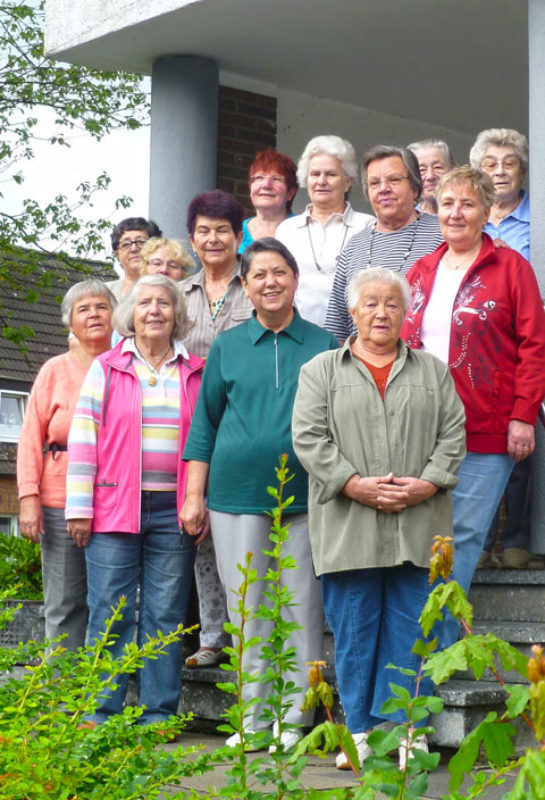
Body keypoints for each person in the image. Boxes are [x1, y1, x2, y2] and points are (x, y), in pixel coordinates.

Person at [292, 267, 466, 770]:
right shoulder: (320, 370)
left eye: (392, 303)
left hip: (420, 522)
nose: (381, 312)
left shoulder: (433, 370)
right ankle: (362, 732)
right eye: (370, 303)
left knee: (414, 629)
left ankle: (406, 728)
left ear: (407, 311)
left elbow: (454, 433)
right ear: (352, 311)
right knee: (354, 630)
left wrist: (428, 482)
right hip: (349, 525)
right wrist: (353, 483)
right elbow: (308, 438)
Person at [181, 238, 338, 751]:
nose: (270, 282)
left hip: (307, 498)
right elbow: (203, 426)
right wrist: (194, 496)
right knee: (246, 609)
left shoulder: (325, 344)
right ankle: (252, 718)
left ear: (295, 280)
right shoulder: (225, 346)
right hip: (234, 496)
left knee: (301, 608)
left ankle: (294, 719)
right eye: (259, 275)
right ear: (244, 286)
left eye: (280, 272)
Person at [401, 166, 545, 647]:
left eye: (467, 204)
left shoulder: (511, 269)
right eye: (447, 204)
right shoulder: (420, 270)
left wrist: (524, 414)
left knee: (461, 539)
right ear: (434, 210)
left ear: (486, 211)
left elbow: (533, 345)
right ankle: (422, 642)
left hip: (486, 426)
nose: (456, 213)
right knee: (423, 538)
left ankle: (437, 652)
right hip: (419, 426)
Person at [65, 274, 203, 726]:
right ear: (131, 313)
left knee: (164, 615)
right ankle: (101, 713)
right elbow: (84, 439)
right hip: (112, 508)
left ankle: (157, 715)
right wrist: (80, 507)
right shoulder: (107, 366)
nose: (155, 311)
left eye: (164, 303)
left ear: (177, 314)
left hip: (174, 512)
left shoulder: (194, 371)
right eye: (145, 303)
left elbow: (205, 442)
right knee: (110, 611)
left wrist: (198, 501)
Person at [17, 280, 115, 650]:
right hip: (58, 499)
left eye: (102, 307)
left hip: (112, 499)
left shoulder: (124, 365)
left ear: (115, 315)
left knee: (112, 605)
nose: (94, 314)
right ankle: (61, 698)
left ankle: (103, 699)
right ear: (70, 324)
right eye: (83, 309)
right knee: (64, 603)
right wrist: (28, 497)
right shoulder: (54, 370)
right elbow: (30, 438)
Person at [180, 190, 253, 669]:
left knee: (244, 531)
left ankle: (250, 636)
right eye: (203, 230)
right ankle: (212, 636)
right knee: (201, 528)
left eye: (222, 230)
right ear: (191, 239)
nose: (213, 238)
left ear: (238, 235)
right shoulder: (178, 293)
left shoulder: (257, 285)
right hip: (191, 419)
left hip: (243, 417)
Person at [469, 130, 534, 568]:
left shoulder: (539, 218)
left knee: (522, 435)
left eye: (509, 162)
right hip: (478, 344)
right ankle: (484, 540)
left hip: (526, 335)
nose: (500, 170)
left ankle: (516, 538)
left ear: (523, 168)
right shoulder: (467, 221)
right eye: (491, 162)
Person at [325, 145, 443, 342]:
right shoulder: (355, 246)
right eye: (374, 183)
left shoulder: (442, 235)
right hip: (361, 366)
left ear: (415, 188)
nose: (383, 189)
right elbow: (337, 326)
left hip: (422, 365)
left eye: (394, 180)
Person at [276, 135, 374, 327]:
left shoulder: (368, 226)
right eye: (315, 174)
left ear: (347, 182)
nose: (321, 181)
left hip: (353, 339)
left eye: (330, 174)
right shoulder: (287, 230)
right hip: (298, 336)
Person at [239, 149, 298, 252]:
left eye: (276, 179)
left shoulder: (305, 231)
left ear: (290, 193)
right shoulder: (236, 232)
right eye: (259, 178)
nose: (266, 185)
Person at [106, 217, 162, 300]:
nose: (134, 248)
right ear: (116, 254)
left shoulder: (168, 289)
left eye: (141, 242)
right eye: (126, 244)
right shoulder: (105, 292)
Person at [407, 139, 455, 214]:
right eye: (421, 170)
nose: (430, 176)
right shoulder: (407, 221)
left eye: (438, 167)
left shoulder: (469, 217)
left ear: (452, 171)